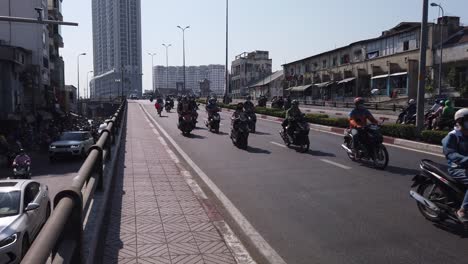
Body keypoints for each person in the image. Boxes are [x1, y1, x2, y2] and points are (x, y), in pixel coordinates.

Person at [442, 108, 468, 223]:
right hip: (456, 168)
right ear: (460, 121)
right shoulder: (452, 136)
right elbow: (450, 153)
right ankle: (462, 210)